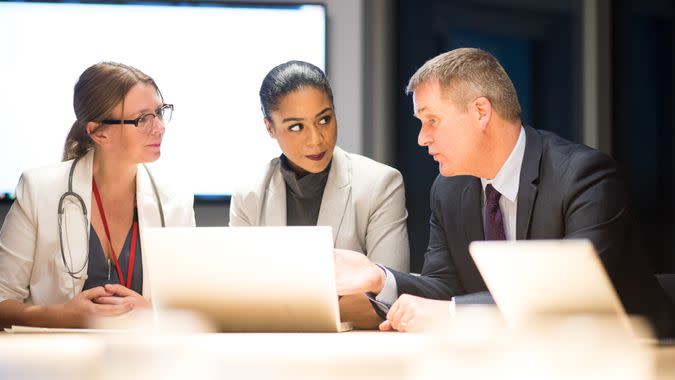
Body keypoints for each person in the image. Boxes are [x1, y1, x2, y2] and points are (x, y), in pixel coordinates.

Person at [334, 48, 674, 337]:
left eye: (432, 120)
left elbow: (571, 295)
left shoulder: (584, 176)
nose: (422, 138)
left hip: (632, 357)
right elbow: (444, 286)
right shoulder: (449, 190)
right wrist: (380, 278)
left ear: (481, 112)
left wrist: (455, 313)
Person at [0, 62, 195, 329]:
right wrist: (60, 315)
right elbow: (2, 302)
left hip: (143, 364)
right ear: (98, 132)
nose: (159, 127)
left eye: (160, 112)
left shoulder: (175, 199)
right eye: (142, 119)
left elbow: (193, 304)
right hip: (57, 365)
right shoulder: (38, 189)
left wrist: (152, 310)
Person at [229, 61, 409, 327]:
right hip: (269, 353)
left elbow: (389, 300)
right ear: (269, 128)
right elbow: (236, 297)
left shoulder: (380, 184)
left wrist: (276, 307)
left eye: (324, 119)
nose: (316, 139)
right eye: (296, 127)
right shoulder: (249, 196)